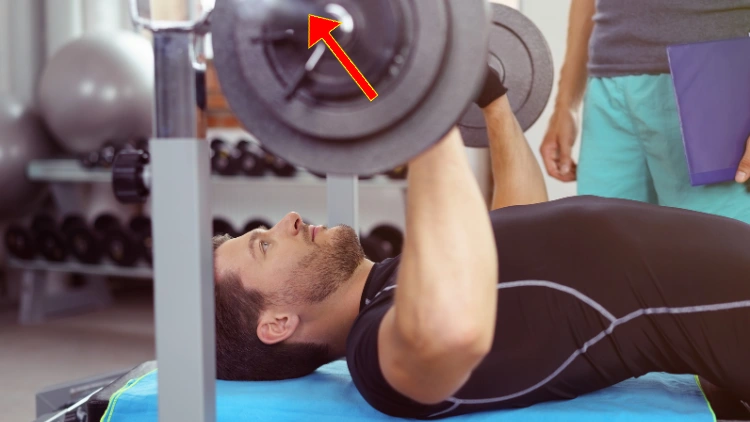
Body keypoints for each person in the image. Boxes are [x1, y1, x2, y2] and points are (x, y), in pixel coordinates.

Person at [212, 70, 750, 419]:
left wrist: (490, 101)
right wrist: (424, 105)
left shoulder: (397, 281)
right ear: (276, 324)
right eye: (263, 246)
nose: (285, 220)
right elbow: (448, 329)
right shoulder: (376, 356)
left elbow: (516, 219)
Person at [541, 0, 750, 224]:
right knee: (603, 247)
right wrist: (565, 104)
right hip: (608, 84)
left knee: (715, 250)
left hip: (713, 77)